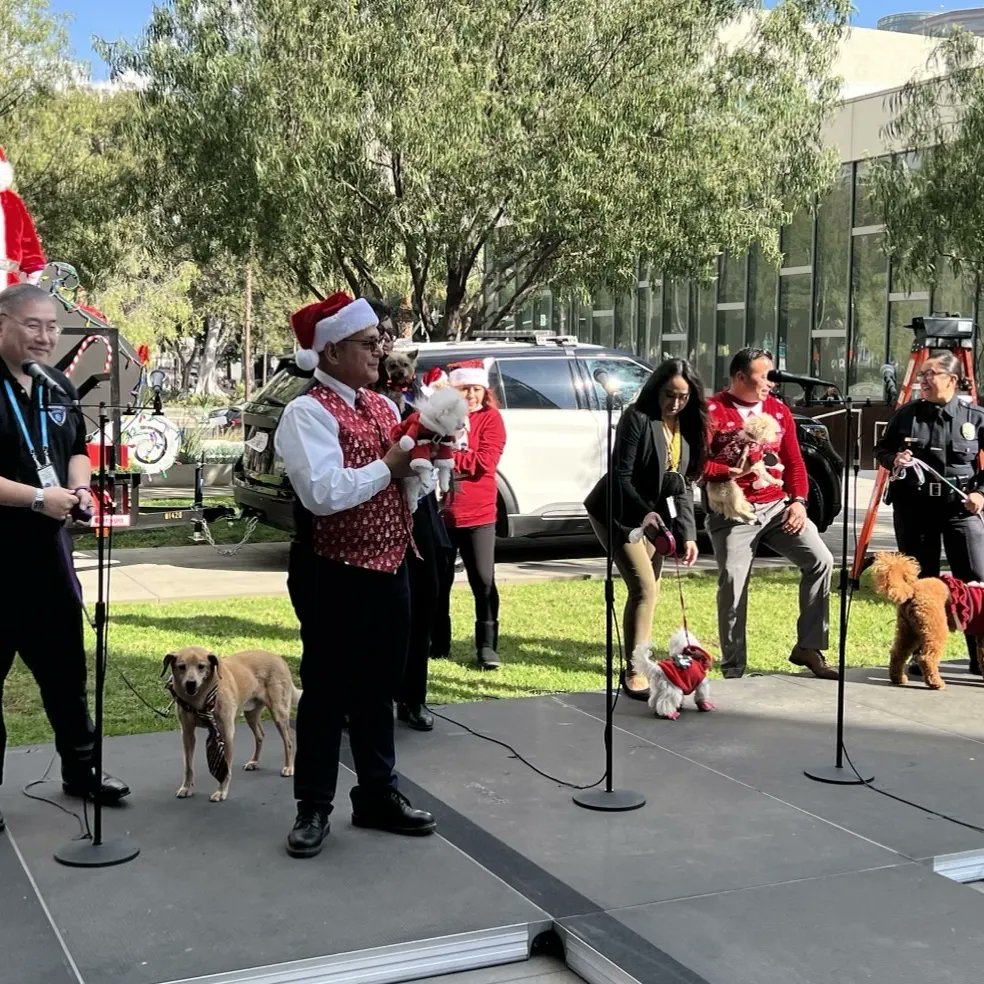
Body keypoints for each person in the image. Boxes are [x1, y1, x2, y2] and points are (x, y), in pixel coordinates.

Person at [275, 291, 436, 859]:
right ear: (332, 350)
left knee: (378, 688)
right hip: (333, 572)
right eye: (368, 343)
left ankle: (376, 794)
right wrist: (389, 466)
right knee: (326, 692)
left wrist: (422, 469)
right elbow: (322, 493)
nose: (379, 351)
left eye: (378, 342)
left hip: (390, 567)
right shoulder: (307, 413)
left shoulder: (384, 407)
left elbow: (404, 490)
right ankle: (313, 805)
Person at [0, 284, 129, 834]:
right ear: (2, 323)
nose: (45, 336)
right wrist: (36, 497)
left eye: (52, 326)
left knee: (67, 675)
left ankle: (83, 772)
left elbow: (77, 449)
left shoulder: (56, 384)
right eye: (33, 325)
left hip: (49, 562)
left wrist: (79, 489)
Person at [704, 347, 836, 680]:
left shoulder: (778, 410)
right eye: (764, 376)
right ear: (740, 377)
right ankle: (734, 667)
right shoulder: (712, 410)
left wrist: (799, 502)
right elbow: (696, 466)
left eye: (772, 376)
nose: (771, 383)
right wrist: (731, 471)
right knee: (733, 583)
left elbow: (794, 462)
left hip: (777, 506)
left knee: (821, 560)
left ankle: (808, 647)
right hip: (733, 510)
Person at [583, 358, 707, 700]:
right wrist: (645, 513)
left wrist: (688, 534)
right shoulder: (637, 417)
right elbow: (621, 476)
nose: (675, 403)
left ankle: (642, 662)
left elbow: (683, 484)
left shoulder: (687, 426)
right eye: (669, 395)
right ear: (656, 390)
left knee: (652, 590)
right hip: (619, 512)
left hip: (655, 518)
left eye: (683, 397)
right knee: (644, 588)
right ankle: (635, 671)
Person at [873, 349, 984, 676]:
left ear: (952, 379)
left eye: (930, 374)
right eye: (922, 374)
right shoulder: (908, 415)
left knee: (974, 581)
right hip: (916, 508)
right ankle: (921, 655)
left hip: (960, 509)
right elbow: (882, 449)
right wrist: (894, 459)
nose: (923, 380)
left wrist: (980, 493)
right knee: (921, 583)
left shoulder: (974, 416)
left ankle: (979, 658)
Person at [432, 360, 507, 670]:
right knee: (439, 582)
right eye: (465, 389)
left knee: (483, 580)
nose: (472, 395)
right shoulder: (439, 416)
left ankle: (486, 645)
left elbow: (484, 462)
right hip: (442, 514)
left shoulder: (491, 419)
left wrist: (447, 456)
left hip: (479, 514)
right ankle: (438, 641)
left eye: (477, 389)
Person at [396, 377, 454, 731]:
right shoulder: (356, 400)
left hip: (420, 511)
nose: (378, 353)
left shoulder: (415, 395)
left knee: (424, 598)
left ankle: (412, 696)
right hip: (374, 514)